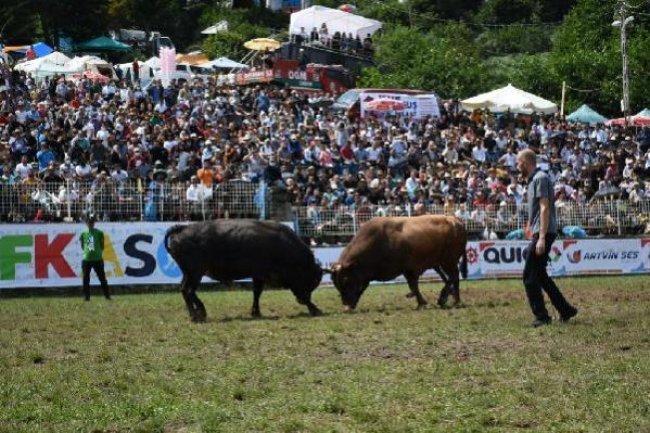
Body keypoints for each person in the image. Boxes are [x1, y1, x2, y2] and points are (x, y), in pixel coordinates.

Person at [517, 149, 577, 327]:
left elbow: (544, 208)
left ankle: (542, 316)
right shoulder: (534, 180)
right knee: (540, 275)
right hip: (541, 231)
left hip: (544, 232)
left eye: (518, 163)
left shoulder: (539, 178)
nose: (517, 166)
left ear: (526, 163)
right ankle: (566, 309)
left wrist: (541, 237)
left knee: (529, 276)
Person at [79, 213, 111, 301]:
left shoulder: (99, 233)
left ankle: (107, 296)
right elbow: (82, 246)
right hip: (87, 260)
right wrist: (88, 253)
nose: (90, 224)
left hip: (97, 259)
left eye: (92, 222)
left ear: (94, 223)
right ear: (86, 223)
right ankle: (86, 297)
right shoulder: (83, 234)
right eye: (89, 222)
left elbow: (102, 245)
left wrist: (96, 252)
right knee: (86, 279)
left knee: (102, 278)